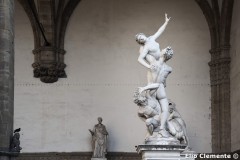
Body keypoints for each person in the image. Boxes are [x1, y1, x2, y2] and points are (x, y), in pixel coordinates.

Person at [136, 14, 172, 137]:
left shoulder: (151, 38)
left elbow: (159, 31)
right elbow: (139, 59)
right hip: (154, 67)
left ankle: (161, 128)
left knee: (163, 106)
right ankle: (158, 127)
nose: (142, 39)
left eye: (142, 36)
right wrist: (149, 66)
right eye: (140, 39)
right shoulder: (145, 47)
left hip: (158, 67)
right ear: (140, 42)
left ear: (144, 35)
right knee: (156, 92)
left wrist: (166, 22)